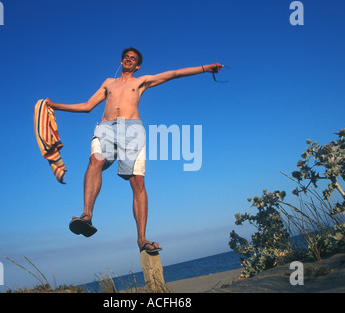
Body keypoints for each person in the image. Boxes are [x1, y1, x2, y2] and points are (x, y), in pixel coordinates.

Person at [46, 47, 223, 253]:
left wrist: (205, 68)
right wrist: (55, 106)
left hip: (132, 130)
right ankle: (87, 214)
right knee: (96, 159)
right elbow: (87, 106)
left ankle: (141, 239)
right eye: (126, 57)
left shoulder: (141, 81)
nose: (129, 60)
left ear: (137, 65)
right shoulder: (108, 83)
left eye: (133, 59)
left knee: (137, 181)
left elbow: (173, 74)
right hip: (106, 128)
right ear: (121, 61)